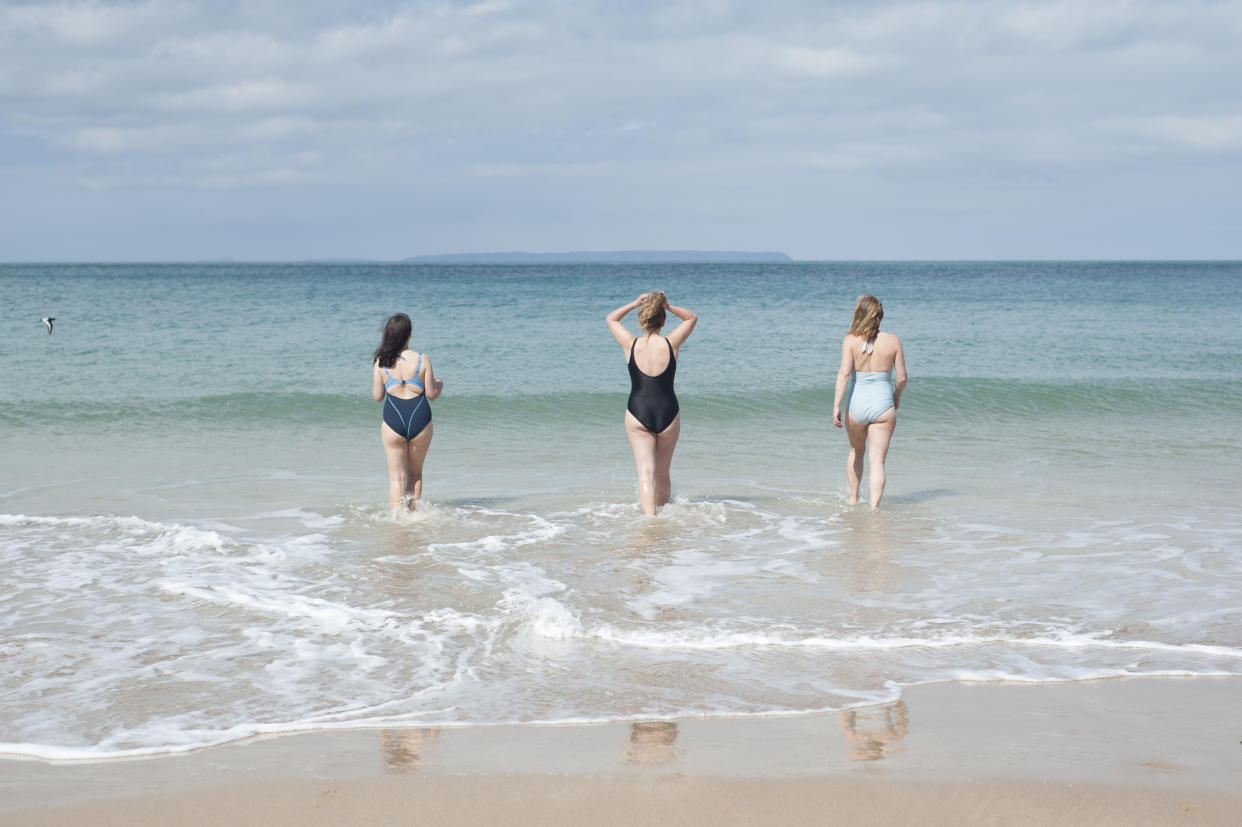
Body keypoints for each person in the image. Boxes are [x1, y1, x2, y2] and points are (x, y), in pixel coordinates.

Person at [606, 291, 698, 515]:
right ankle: (663, 518)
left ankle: (650, 523)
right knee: (662, 474)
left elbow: (611, 318)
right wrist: (668, 305)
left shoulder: (630, 344)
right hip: (668, 412)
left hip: (638, 413)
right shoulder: (671, 343)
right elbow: (691, 318)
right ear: (663, 321)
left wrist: (635, 302)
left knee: (645, 474)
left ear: (641, 320)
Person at [832, 294, 907, 509]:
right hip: (883, 406)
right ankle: (874, 509)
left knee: (856, 451)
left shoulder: (850, 340)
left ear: (859, 314)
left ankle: (853, 500)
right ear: (880, 316)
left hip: (856, 406)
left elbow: (844, 374)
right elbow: (902, 378)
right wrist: (896, 396)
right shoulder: (893, 341)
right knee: (877, 462)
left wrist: (837, 405)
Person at [371, 313, 443, 511]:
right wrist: (439, 385)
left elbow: (377, 396)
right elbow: (431, 394)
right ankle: (413, 517)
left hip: (393, 419)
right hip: (419, 418)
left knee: (396, 477)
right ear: (409, 334)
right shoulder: (422, 359)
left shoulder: (381, 361)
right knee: (415, 473)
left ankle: (397, 521)